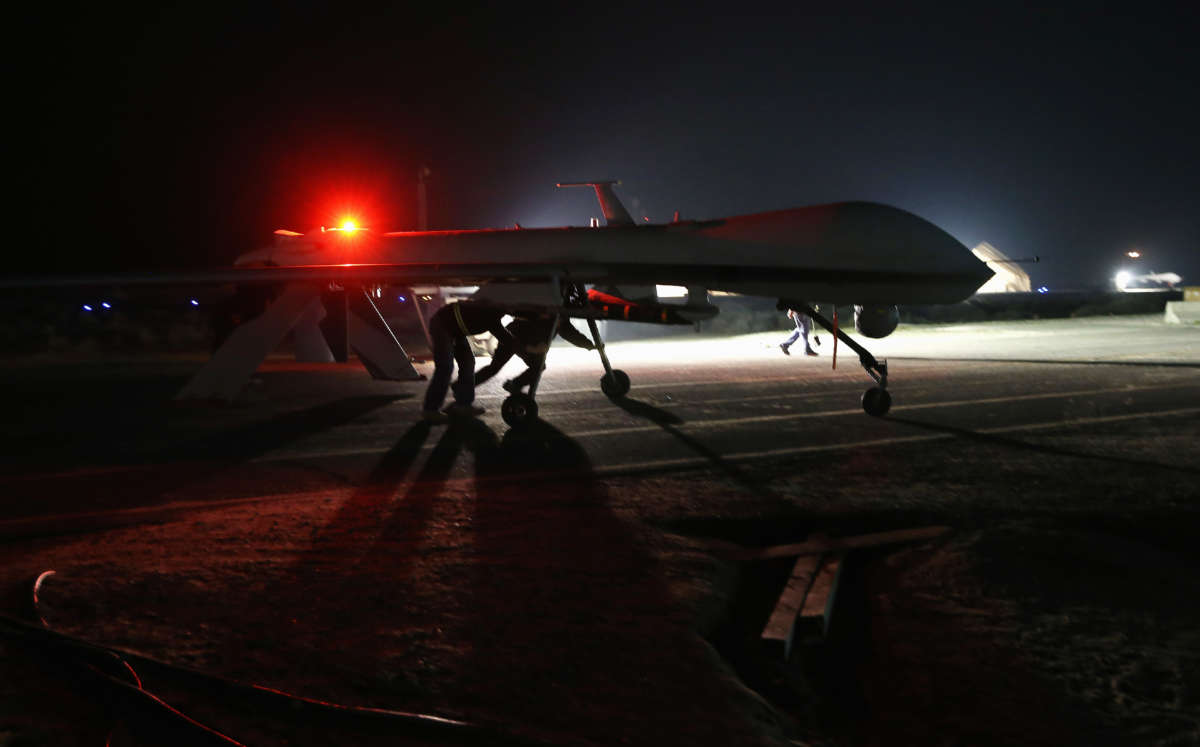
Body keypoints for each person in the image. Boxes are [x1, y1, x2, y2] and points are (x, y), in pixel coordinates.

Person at [421, 300, 515, 422]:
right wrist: (526, 350)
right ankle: (430, 410)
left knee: (468, 363)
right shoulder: (492, 313)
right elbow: (504, 337)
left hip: (456, 329)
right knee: (445, 366)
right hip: (443, 325)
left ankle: (463, 404)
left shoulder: (495, 310)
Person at [475, 313, 594, 393]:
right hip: (513, 337)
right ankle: (464, 386)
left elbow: (571, 334)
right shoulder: (541, 310)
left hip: (530, 343)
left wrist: (589, 345)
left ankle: (515, 385)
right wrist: (531, 347)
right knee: (494, 367)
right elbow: (526, 322)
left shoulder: (560, 317)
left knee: (538, 366)